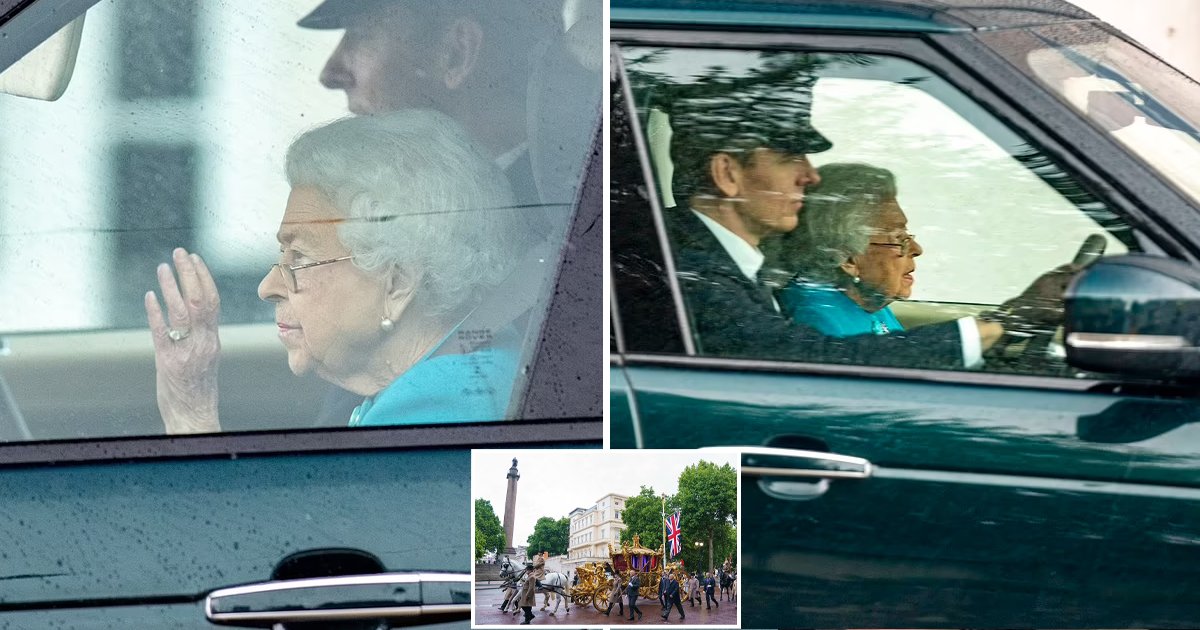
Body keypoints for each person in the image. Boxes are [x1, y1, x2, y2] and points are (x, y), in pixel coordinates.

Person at [657, 54, 1077, 370]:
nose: (811, 176)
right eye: (790, 158)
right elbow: (807, 362)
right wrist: (1005, 321)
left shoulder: (730, 264)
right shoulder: (689, 275)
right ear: (728, 174)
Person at [144, 110, 532, 432]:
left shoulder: (433, 411)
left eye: (299, 258)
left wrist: (190, 417)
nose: (268, 287)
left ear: (397, 283)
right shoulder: (465, 373)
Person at [776, 163, 918, 337]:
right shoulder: (818, 321)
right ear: (848, 259)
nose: (917, 249)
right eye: (898, 238)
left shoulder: (867, 299)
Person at [518, 554, 545, 625]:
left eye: (526, 570)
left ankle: (530, 616)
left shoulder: (532, 577)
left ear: (529, 570)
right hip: (526, 593)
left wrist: (527, 595)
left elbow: (531, 587)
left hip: (528, 594)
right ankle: (528, 619)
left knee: (523, 605)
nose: (526, 571)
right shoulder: (530, 576)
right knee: (527, 607)